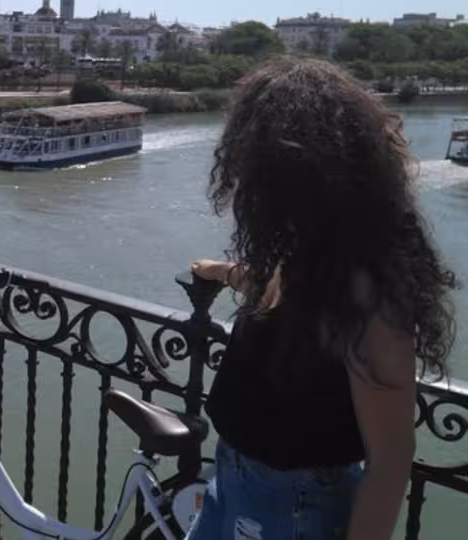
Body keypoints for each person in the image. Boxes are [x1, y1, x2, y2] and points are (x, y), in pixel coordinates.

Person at [185, 56, 457, 540]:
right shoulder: (312, 251)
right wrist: (222, 272)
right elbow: (286, 305)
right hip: (235, 482)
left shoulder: (366, 285)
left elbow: (391, 460)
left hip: (293, 507)